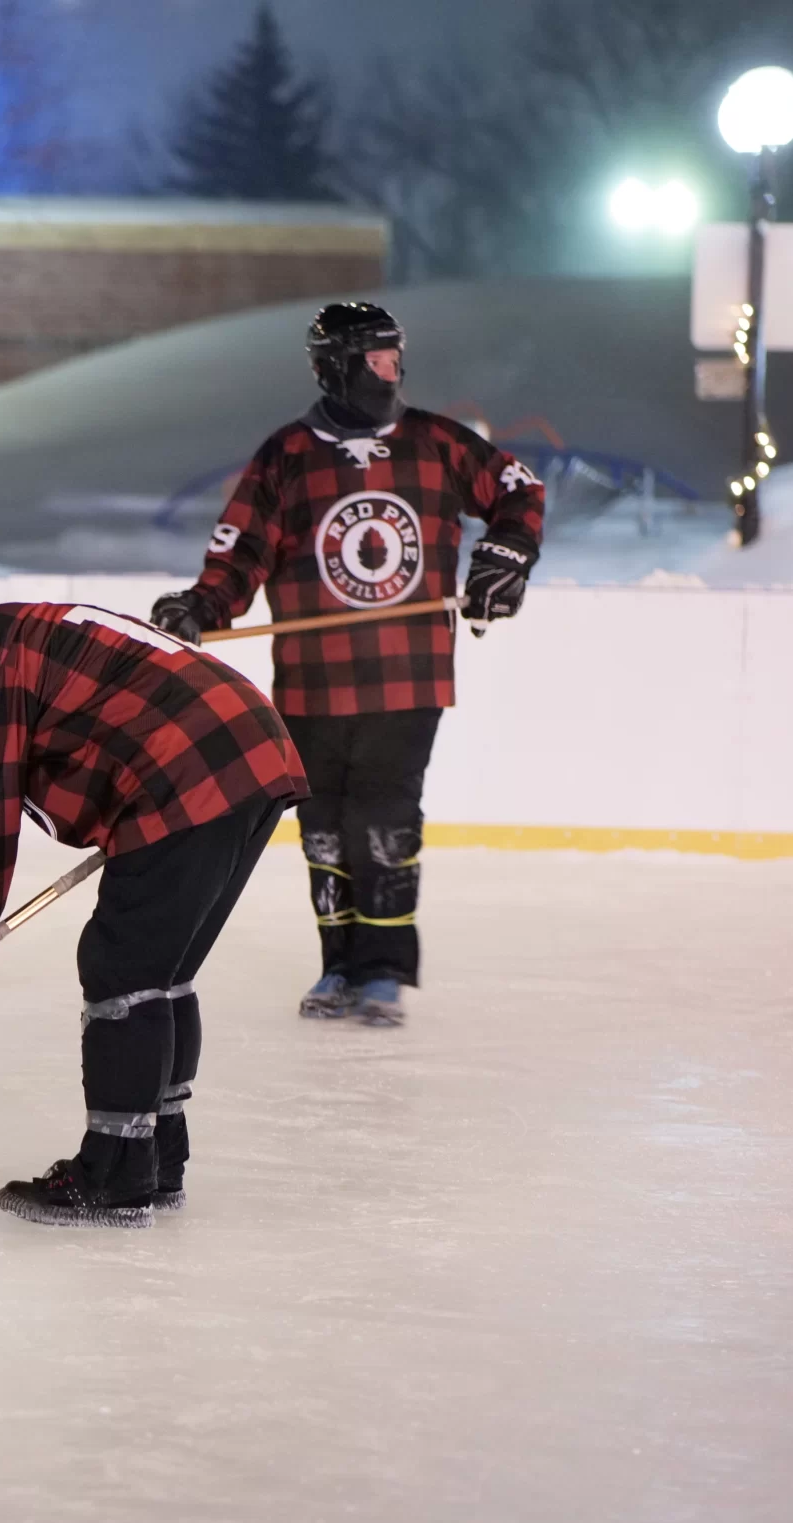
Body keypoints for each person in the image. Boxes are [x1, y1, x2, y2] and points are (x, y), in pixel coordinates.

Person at [0, 563, 306, 1227]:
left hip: (188, 768)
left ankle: (117, 1175)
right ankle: (157, 1158)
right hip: (248, 751)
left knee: (121, 967)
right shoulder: (12, 630)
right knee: (162, 973)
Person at [149, 301, 546, 1026]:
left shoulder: (437, 443)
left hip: (408, 676)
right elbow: (238, 557)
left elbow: (519, 491)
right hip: (312, 682)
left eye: (398, 358)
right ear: (338, 366)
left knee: (384, 820)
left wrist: (504, 559)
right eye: (380, 359)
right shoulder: (287, 456)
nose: (394, 372)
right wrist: (201, 608)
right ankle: (339, 966)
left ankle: (385, 971)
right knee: (325, 826)